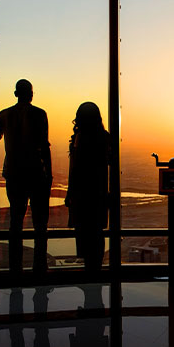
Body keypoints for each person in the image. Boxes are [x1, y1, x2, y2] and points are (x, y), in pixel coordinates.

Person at [0, 79, 52, 275]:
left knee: (16, 221)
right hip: (36, 173)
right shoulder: (39, 114)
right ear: (31, 94)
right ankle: (39, 267)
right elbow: (44, 147)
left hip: (14, 173)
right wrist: (48, 174)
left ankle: (15, 268)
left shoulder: (5, 115)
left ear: (16, 94)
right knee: (40, 224)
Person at [65, 102, 110, 271]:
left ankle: (90, 272)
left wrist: (70, 193)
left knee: (85, 234)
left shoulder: (79, 138)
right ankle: (95, 270)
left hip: (82, 194)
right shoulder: (104, 137)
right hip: (98, 193)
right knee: (97, 233)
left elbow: (74, 170)